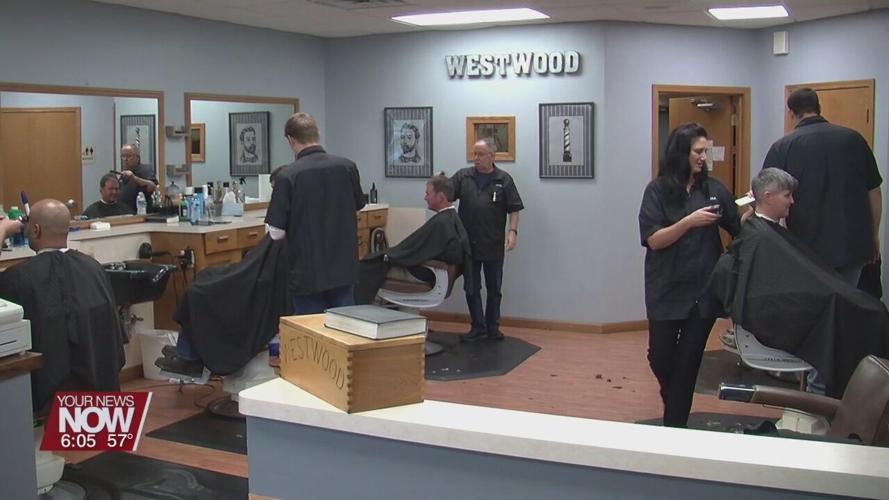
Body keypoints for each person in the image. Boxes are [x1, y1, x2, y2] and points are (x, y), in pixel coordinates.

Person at [708, 168, 889, 397]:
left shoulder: (762, 231)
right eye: (787, 195)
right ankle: (849, 393)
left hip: (814, 299)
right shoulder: (761, 236)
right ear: (768, 197)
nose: (792, 201)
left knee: (867, 311)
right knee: (869, 314)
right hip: (795, 308)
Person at [638, 123, 741, 428]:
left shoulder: (714, 191)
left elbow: (738, 228)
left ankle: (675, 429)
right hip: (665, 288)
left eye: (705, 151)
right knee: (660, 358)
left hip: (703, 293)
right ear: (681, 152)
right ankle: (674, 402)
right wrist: (689, 222)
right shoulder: (657, 191)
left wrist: (753, 211)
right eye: (698, 151)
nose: (704, 157)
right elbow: (654, 240)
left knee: (688, 363)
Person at [0, 199, 126, 411]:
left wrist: (3, 230)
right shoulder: (94, 268)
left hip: (49, 396)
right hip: (100, 389)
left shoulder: (20, 277)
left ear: (36, 230)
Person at [763, 87, 882, 285]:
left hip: (805, 247)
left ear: (791, 113)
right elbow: (874, 192)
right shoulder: (854, 139)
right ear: (819, 107)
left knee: (812, 302)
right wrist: (873, 236)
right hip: (853, 246)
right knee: (848, 299)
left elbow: (768, 197)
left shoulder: (783, 147)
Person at [265, 112, 365, 314]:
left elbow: (276, 233)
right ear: (317, 134)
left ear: (291, 140)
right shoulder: (347, 167)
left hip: (307, 273)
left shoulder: (287, 176)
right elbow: (357, 205)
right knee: (345, 327)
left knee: (311, 331)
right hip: (343, 269)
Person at [355, 175, 472, 304]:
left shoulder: (442, 223)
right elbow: (420, 249)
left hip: (424, 273)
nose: (425, 198)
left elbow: (415, 251)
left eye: (428, 194)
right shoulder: (450, 219)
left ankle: (358, 310)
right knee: (376, 262)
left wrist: (391, 256)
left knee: (366, 268)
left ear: (440, 197)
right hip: (430, 273)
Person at [451, 137, 523, 342]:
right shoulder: (463, 177)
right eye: (474, 154)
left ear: (492, 156)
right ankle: (478, 326)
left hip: (493, 243)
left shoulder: (503, 180)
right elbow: (446, 195)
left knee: (494, 288)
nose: (476, 158)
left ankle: (493, 327)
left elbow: (514, 209)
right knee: (472, 287)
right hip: (468, 243)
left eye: (481, 154)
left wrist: (512, 232)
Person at [118, 144, 158, 213]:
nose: (125, 159)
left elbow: (153, 187)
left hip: (140, 214)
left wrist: (134, 178)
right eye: (123, 156)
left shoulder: (145, 170)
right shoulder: (123, 174)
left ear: (137, 157)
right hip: (124, 214)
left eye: (128, 156)